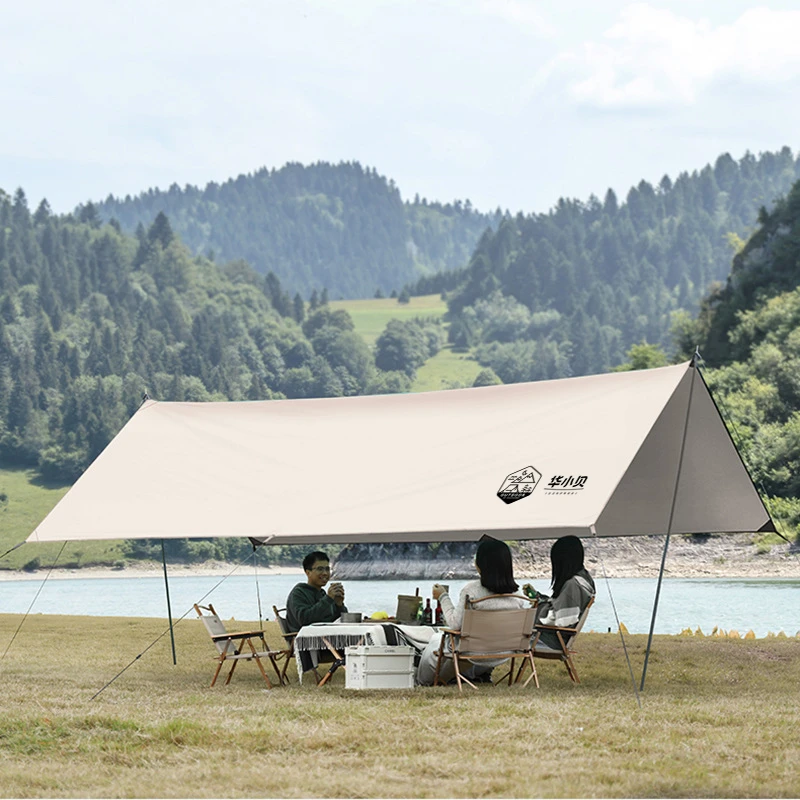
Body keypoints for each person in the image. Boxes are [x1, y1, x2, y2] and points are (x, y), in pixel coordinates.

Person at [416, 537, 528, 686]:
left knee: (436, 640)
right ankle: (467, 676)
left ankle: (423, 682)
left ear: (480, 565)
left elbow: (455, 624)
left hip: (473, 652)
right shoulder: (519, 596)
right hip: (505, 650)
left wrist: (443, 596)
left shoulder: (472, 591)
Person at [524, 535, 595, 649]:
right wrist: (540, 597)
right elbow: (561, 605)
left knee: (508, 638)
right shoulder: (584, 580)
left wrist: (538, 607)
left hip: (550, 641)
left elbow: (561, 619)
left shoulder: (573, 585)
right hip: (554, 638)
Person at [285, 551, 347, 633]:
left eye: (327, 569)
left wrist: (339, 605)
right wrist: (328, 599)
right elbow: (305, 620)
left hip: (327, 636)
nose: (325, 573)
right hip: (306, 640)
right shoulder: (299, 593)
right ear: (308, 573)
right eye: (320, 569)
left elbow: (338, 621)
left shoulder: (322, 594)